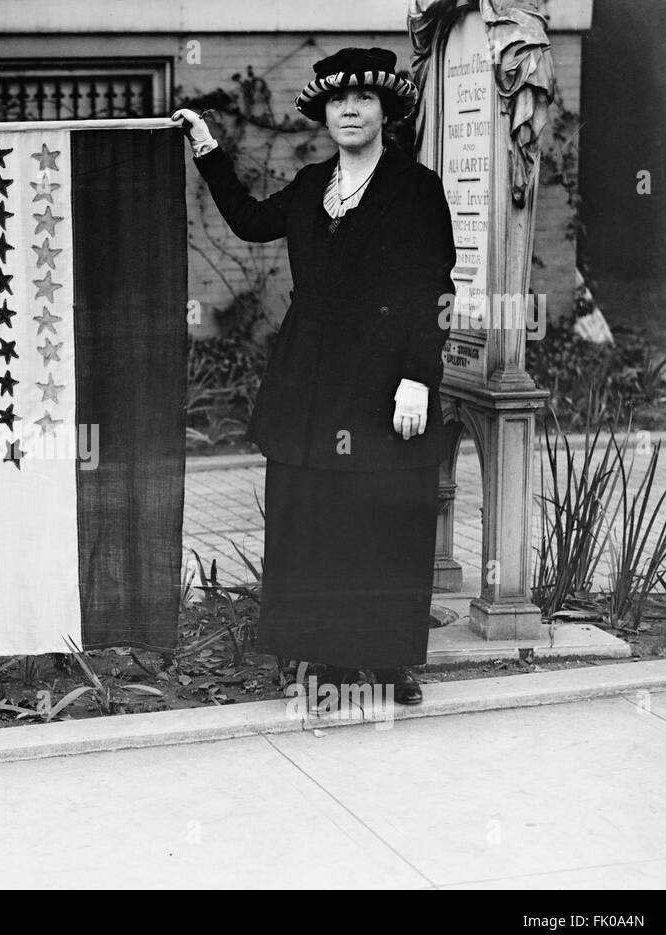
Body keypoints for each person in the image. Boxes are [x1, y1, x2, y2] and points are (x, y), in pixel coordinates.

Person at [172, 47, 458, 708]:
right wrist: (208, 147)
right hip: (309, 384)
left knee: (381, 520)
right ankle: (318, 659)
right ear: (324, 114)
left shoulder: (416, 190)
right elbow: (246, 221)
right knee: (313, 522)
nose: (349, 109)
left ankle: (386, 663)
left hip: (383, 384)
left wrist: (418, 377)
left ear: (386, 110)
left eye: (362, 98)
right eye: (337, 100)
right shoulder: (308, 187)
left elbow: (433, 290)